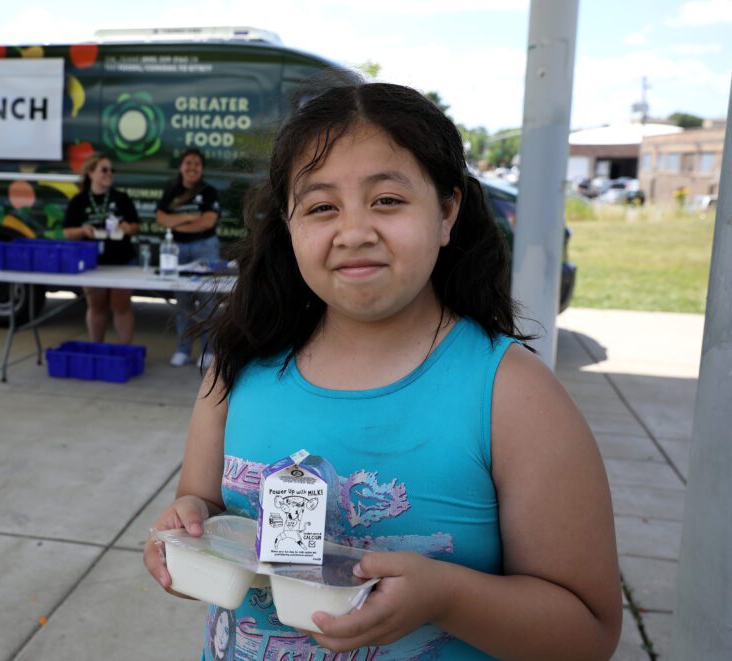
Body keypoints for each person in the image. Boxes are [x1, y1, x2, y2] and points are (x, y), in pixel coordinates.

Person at [144, 80, 622, 659]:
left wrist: (446, 597)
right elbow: (202, 502)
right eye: (322, 207)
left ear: (447, 213)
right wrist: (191, 528)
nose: (354, 232)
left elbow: (588, 634)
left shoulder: (512, 395)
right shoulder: (236, 371)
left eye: (387, 200)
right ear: (289, 226)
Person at [155, 148, 222, 368]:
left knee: (206, 301)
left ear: (201, 169)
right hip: (177, 250)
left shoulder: (209, 190)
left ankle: (208, 351)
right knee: (182, 302)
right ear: (181, 167)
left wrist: (176, 221)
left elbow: (207, 222)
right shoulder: (171, 190)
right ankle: (183, 350)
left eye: (196, 164)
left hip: (205, 247)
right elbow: (161, 219)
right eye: (188, 163)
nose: (192, 167)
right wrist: (187, 216)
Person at [63, 154, 141, 344]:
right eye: (104, 170)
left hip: (122, 260)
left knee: (121, 306)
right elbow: (67, 232)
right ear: (90, 173)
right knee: (96, 306)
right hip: (92, 263)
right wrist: (83, 230)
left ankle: (125, 349)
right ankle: (97, 347)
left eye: (111, 170)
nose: (109, 174)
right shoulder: (79, 201)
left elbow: (136, 226)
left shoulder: (121, 198)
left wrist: (126, 228)